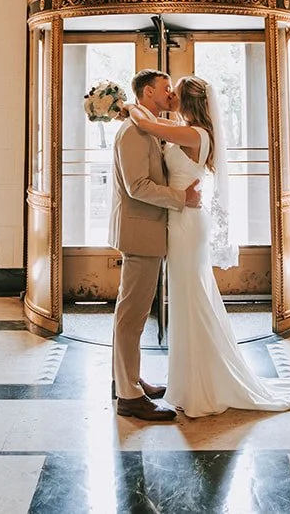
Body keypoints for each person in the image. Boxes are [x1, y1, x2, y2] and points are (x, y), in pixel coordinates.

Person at [125, 75, 290, 423]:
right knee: (187, 298)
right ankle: (187, 380)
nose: (171, 96)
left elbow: (145, 123)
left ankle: (202, 384)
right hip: (182, 220)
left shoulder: (196, 135)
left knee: (192, 297)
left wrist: (127, 105)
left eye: (174, 93)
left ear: (189, 101)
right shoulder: (186, 128)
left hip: (187, 223)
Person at [108, 69, 202, 421]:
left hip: (147, 231)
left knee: (133, 313)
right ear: (148, 92)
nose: (170, 95)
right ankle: (129, 396)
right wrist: (182, 198)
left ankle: (129, 379)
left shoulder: (143, 124)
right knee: (132, 316)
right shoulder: (133, 132)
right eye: (165, 89)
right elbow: (138, 187)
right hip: (140, 232)